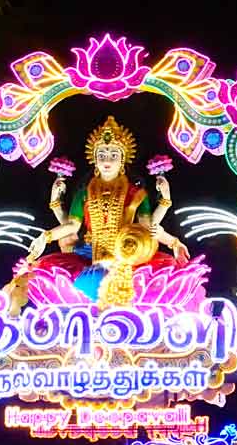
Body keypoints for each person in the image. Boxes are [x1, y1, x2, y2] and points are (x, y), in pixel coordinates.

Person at [24, 116, 188, 305]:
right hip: (91, 253)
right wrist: (45, 237)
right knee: (65, 280)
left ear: (123, 160)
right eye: (101, 155)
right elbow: (71, 226)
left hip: (127, 252)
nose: (107, 161)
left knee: (147, 283)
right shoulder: (84, 192)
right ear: (94, 160)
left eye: (113, 155)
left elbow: (148, 227)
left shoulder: (136, 192)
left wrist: (173, 238)